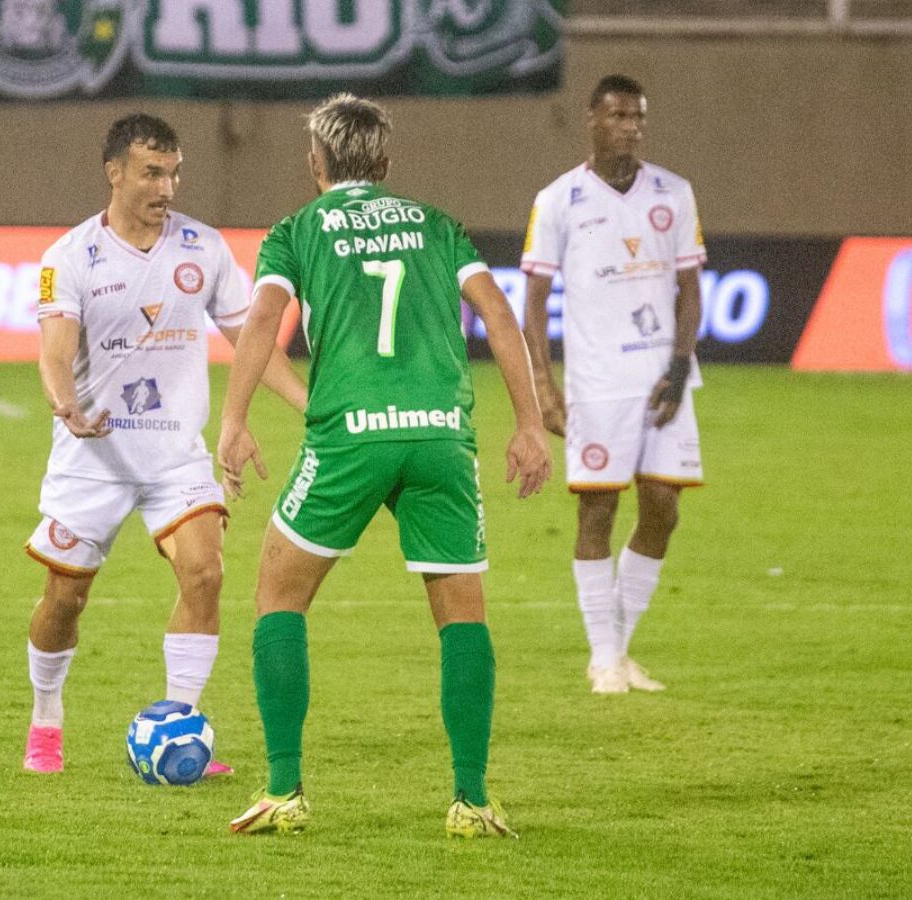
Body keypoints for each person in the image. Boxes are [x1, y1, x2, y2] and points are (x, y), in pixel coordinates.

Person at [217, 94, 552, 837]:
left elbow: (264, 320)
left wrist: (235, 420)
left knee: (278, 594)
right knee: (462, 613)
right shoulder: (438, 225)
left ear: (316, 163)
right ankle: (470, 799)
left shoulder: (296, 231)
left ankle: (284, 790)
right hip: (439, 433)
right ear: (387, 163)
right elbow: (499, 314)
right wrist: (528, 424)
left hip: (352, 433)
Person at [21, 114, 306, 774]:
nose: (166, 186)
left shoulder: (202, 250)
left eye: (174, 172)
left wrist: (311, 408)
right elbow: (55, 351)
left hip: (175, 454)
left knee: (204, 573)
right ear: (114, 171)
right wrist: (65, 404)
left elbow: (253, 343)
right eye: (152, 172)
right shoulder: (68, 258)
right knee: (65, 601)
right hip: (94, 457)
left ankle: (181, 728)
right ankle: (46, 717)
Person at [520, 74, 706, 695]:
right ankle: (604, 657)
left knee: (664, 509)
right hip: (597, 384)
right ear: (592, 120)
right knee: (597, 509)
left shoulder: (673, 194)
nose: (630, 127)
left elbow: (689, 290)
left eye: (638, 117)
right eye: (619, 116)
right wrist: (545, 391)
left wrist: (680, 370)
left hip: (662, 381)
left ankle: (618, 651)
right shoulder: (557, 200)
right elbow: (535, 302)